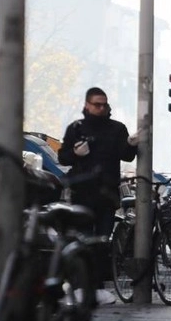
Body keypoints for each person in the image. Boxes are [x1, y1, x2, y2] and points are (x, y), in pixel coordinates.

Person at [58, 87, 139, 305]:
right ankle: (80, 286)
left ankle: (96, 287)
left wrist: (131, 144)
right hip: (81, 194)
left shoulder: (117, 128)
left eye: (104, 104)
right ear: (87, 105)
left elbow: (126, 154)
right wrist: (75, 153)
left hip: (105, 195)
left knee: (101, 244)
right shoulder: (76, 128)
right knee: (81, 242)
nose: (101, 108)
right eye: (97, 104)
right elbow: (63, 157)